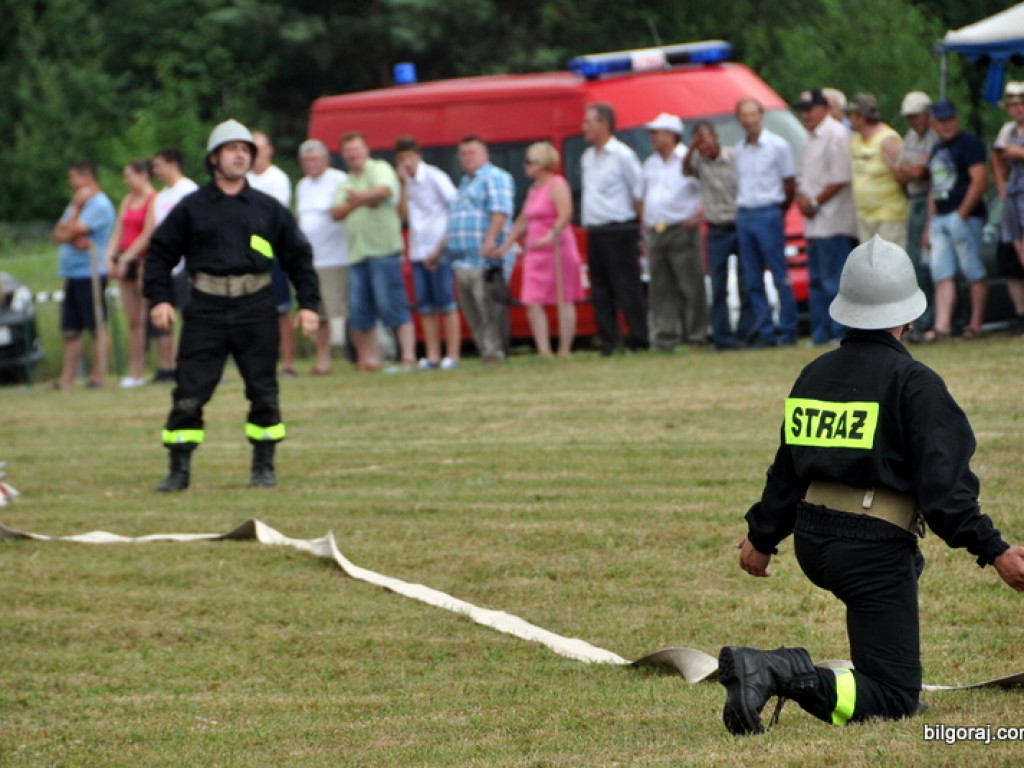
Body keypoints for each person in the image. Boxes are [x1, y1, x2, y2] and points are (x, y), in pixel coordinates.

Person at [718, 236, 1024, 736]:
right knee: (896, 699)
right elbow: (945, 495)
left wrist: (761, 538)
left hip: (815, 541)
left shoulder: (814, 374)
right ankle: (774, 670)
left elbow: (788, 471)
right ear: (909, 311)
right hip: (870, 549)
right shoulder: (915, 382)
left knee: (890, 616)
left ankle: (874, 674)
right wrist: (996, 551)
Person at [143, 119, 319, 491]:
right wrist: (160, 298)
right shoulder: (192, 208)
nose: (240, 155)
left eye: (245, 150)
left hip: (256, 306)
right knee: (190, 392)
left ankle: (263, 467)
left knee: (263, 389)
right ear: (213, 158)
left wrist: (309, 305)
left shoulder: (267, 209)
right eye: (232, 149)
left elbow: (298, 256)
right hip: (205, 307)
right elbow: (159, 254)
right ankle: (179, 471)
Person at [330, 131, 417, 372]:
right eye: (348, 151)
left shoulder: (379, 168)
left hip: (384, 250)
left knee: (393, 304)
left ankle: (408, 356)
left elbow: (385, 191)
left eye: (356, 149)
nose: (352, 154)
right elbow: (335, 213)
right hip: (357, 253)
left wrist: (355, 199)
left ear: (366, 149)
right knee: (360, 310)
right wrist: (363, 199)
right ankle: (369, 360)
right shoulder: (346, 181)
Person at [495, 141, 584, 358]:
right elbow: (522, 220)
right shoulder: (534, 190)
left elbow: (565, 215)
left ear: (542, 164)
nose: (525, 166)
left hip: (557, 248)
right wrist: (505, 245)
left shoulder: (557, 185)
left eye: (529, 162)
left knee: (564, 298)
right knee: (532, 300)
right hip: (534, 251)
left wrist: (550, 235)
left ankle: (564, 348)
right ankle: (544, 350)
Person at [436, 135, 515, 363]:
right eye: (463, 154)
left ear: (485, 154)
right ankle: (485, 351)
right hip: (462, 260)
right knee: (473, 310)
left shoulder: (495, 177)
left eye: (472, 153)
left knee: (489, 307)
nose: (467, 158)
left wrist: (490, 241)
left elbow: (500, 211)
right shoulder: (464, 183)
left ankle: (496, 352)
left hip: (485, 259)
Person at [580, 102, 648, 355]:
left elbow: (638, 189)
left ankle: (639, 337)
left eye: (589, 122)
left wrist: (641, 226)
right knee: (600, 288)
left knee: (627, 286)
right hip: (595, 229)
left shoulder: (622, 155)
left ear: (604, 125)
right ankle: (610, 340)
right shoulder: (587, 157)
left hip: (619, 228)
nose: (583, 127)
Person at [793, 89, 858, 346]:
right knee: (817, 281)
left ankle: (840, 331)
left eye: (810, 109)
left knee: (835, 281)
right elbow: (801, 177)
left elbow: (841, 177)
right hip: (814, 223)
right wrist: (801, 199)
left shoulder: (837, 134)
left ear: (823, 109)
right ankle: (820, 332)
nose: (806, 114)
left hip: (833, 220)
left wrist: (816, 201)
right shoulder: (809, 138)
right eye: (803, 109)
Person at [733, 97, 798, 347]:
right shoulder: (739, 150)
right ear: (739, 119)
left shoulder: (777, 146)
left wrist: (779, 209)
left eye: (753, 114)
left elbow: (788, 182)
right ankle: (765, 330)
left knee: (779, 273)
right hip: (746, 212)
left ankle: (788, 328)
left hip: (768, 210)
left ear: (760, 116)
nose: (749, 120)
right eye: (744, 115)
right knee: (752, 277)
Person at [638, 113, 706, 350]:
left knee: (691, 285)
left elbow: (709, 189)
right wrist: (644, 222)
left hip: (682, 229)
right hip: (657, 231)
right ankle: (665, 337)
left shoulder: (688, 160)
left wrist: (699, 217)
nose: (652, 138)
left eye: (656, 133)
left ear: (670, 135)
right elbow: (641, 195)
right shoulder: (650, 163)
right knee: (660, 288)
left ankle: (697, 336)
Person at [922, 100, 988, 342]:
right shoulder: (937, 148)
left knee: (973, 270)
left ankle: (976, 324)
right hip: (940, 216)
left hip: (964, 215)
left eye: (950, 119)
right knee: (942, 273)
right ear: (934, 124)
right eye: (941, 121)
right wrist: (929, 225)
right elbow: (933, 188)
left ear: (956, 119)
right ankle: (942, 326)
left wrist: (962, 214)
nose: (946, 125)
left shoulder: (970, 144)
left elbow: (980, 180)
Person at [684, 121, 753, 350]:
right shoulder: (698, 162)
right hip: (716, 229)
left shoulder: (734, 157)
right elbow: (684, 169)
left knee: (746, 280)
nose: (704, 146)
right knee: (718, 283)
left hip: (738, 223)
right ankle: (723, 336)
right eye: (699, 141)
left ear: (716, 137)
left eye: (706, 139)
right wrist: (693, 148)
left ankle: (746, 332)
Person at [395, 136, 460, 369]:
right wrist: (402, 186)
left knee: (446, 304)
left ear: (418, 157)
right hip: (417, 250)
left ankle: (452, 354)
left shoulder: (435, 177)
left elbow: (455, 207)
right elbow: (400, 216)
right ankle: (433, 355)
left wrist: (441, 245)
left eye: (410, 157)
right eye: (402, 159)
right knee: (425, 306)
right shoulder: (403, 183)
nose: (407, 163)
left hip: (439, 247)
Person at [52, 160, 116, 390]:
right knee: (70, 329)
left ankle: (98, 375)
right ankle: (67, 378)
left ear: (87, 177)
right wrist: (71, 229)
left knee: (96, 325)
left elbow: (71, 230)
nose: (71, 182)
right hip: (72, 273)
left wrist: (76, 213)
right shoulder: (75, 204)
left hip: (91, 272)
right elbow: (60, 234)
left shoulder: (98, 205)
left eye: (74, 177)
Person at [295, 139, 348, 374]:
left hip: (335, 257)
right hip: (311, 260)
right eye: (306, 160)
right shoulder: (302, 185)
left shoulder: (338, 180)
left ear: (326, 159)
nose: (310, 164)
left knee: (342, 310)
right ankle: (323, 361)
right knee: (319, 314)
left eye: (315, 159)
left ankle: (358, 356)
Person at [247, 131, 298, 377]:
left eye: (260, 148)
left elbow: (272, 217)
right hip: (245, 254)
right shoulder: (244, 180)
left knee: (280, 309)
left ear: (269, 151)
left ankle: (287, 363)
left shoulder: (277, 179)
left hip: (271, 253)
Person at [146, 147, 199, 383]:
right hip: (167, 264)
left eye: (159, 165)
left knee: (192, 316)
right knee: (162, 316)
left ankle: (196, 363)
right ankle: (168, 366)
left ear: (173, 164)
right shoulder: (160, 197)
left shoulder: (188, 190)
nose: (156, 170)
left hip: (187, 263)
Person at [104, 159, 157, 387]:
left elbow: (148, 233)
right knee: (133, 319)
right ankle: (133, 368)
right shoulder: (127, 200)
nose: (127, 181)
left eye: (130, 176)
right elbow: (119, 229)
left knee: (145, 317)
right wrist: (110, 255)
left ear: (142, 175)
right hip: (125, 258)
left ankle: (143, 366)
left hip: (142, 259)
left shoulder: (153, 198)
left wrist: (128, 257)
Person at [893, 91, 939, 340]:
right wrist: (912, 169)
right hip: (914, 200)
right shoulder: (910, 137)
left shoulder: (934, 137)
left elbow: (921, 173)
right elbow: (899, 171)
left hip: (928, 199)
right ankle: (919, 321)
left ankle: (930, 319)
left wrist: (911, 169)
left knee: (926, 263)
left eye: (916, 116)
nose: (912, 122)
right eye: (909, 118)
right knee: (913, 263)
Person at [848, 93, 908, 247]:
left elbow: (904, 176)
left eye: (851, 115)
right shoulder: (856, 140)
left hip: (888, 215)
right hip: (865, 216)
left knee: (887, 263)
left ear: (862, 117)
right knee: (869, 265)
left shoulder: (887, 140)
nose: (849, 119)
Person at [991, 81, 1024, 335]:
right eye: (1013, 105)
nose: (1018, 109)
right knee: (1016, 252)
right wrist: (1001, 186)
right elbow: (997, 156)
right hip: (1014, 195)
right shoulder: (1007, 131)